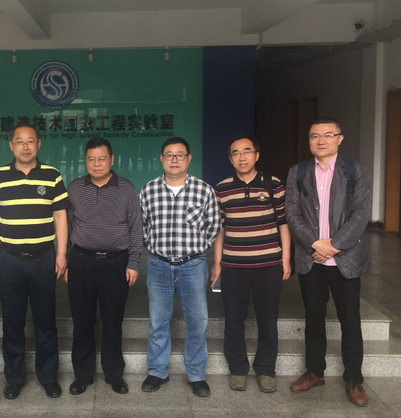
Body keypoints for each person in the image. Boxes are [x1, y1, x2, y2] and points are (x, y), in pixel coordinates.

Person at [285, 118, 372, 407]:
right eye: (314, 136)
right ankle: (314, 371)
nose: (320, 141)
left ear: (340, 138)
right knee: (313, 318)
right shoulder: (298, 172)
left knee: (350, 320)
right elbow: (292, 212)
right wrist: (315, 243)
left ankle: (354, 378)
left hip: (345, 260)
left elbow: (361, 215)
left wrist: (333, 246)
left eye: (327, 135)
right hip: (311, 260)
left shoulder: (355, 172)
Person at [0, 124, 69, 400]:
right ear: (11, 145)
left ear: (38, 144)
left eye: (30, 141)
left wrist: (61, 254)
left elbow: (60, 216)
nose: (25, 146)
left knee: (46, 321)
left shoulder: (52, 175)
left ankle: (48, 376)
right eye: (19, 142)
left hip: (44, 258)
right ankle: (14, 377)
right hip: (9, 259)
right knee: (12, 321)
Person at [139, 137, 220, 397]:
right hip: (158, 265)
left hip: (192, 265)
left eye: (180, 155)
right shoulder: (148, 190)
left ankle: (196, 375)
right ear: (161, 159)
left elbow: (214, 227)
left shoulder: (204, 190)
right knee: (158, 321)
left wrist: (206, 254)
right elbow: (141, 227)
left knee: (197, 321)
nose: (174, 160)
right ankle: (157, 371)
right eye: (169, 155)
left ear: (188, 158)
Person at [211, 135, 291, 394]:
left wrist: (286, 259)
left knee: (268, 319)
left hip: (268, 264)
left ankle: (266, 369)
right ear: (230, 158)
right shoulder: (222, 189)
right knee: (234, 319)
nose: (242, 157)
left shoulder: (273, 184)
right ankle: (238, 369)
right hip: (233, 266)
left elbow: (283, 224)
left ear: (257, 155)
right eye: (236, 153)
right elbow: (220, 229)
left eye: (247, 151)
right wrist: (218, 263)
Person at [65, 138, 143, 395]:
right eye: (91, 159)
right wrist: (66, 260)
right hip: (81, 262)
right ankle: (83, 375)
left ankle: (114, 373)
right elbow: (66, 227)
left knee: (112, 321)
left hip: (116, 263)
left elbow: (136, 227)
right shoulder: (75, 188)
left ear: (112, 160)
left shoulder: (126, 188)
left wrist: (133, 263)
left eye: (101, 159)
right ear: (85, 161)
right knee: (82, 320)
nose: (96, 164)